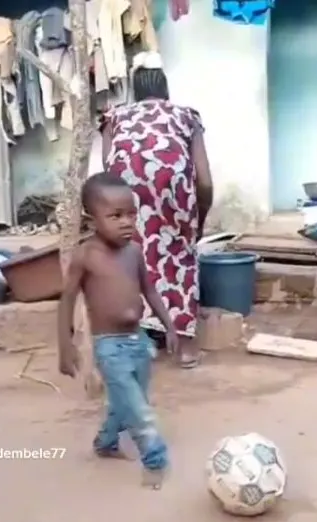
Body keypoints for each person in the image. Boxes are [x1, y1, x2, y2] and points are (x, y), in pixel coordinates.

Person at [57, 171, 179, 488]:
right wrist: (65, 345)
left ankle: (106, 443)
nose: (126, 222)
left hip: (137, 341)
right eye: (115, 215)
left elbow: (150, 291)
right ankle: (155, 460)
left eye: (130, 214)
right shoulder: (85, 256)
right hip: (108, 346)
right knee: (139, 410)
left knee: (123, 402)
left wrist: (170, 326)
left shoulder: (134, 253)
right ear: (91, 218)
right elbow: (67, 299)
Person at [101, 52, 213, 368]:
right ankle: (186, 345)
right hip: (174, 189)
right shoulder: (186, 115)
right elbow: (203, 180)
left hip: (126, 191)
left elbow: (108, 169)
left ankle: (138, 335)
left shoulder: (115, 117)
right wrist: (198, 220)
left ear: (135, 90)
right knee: (178, 255)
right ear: (165, 88)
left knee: (133, 255)